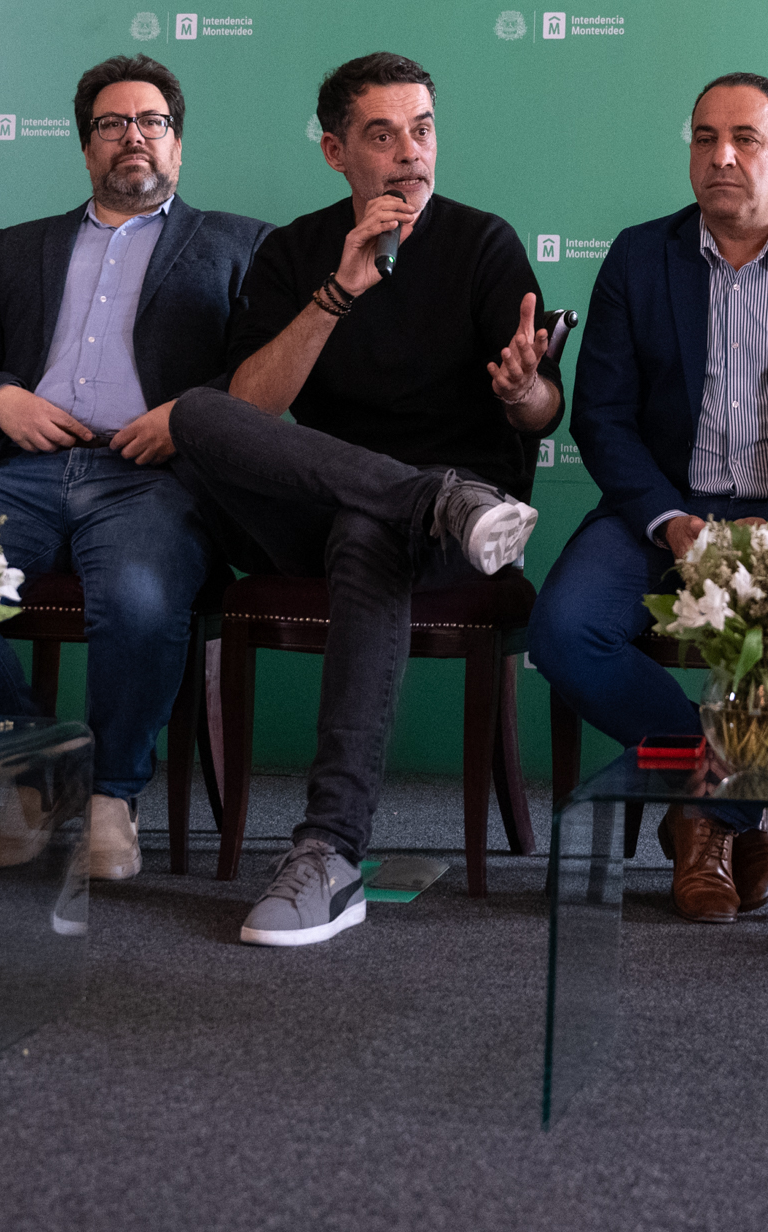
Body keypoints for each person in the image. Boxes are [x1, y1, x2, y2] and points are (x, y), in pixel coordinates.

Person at [163, 52, 555, 947]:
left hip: (470, 529)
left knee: (367, 533)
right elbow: (254, 405)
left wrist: (519, 390)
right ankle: (426, 496)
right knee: (197, 412)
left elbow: (541, 409)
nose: (410, 153)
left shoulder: (480, 241)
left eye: (422, 130)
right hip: (340, 499)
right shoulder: (297, 250)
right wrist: (340, 289)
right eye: (383, 135)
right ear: (338, 153)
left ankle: (331, 853)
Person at [533, 72, 768, 922]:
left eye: (745, 139)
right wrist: (670, 523)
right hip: (664, 510)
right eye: (704, 138)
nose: (722, 156)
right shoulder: (638, 257)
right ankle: (739, 791)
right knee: (565, 630)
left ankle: (710, 815)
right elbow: (601, 415)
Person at [0, 55, 268, 876]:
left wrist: (187, 417)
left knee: (140, 600)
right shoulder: (20, 247)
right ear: (87, 149)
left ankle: (113, 796)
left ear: (177, 145)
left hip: (153, 475)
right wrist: (3, 399)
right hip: (27, 469)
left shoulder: (239, 243)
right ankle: (31, 774)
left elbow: (263, 373)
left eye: (151, 123)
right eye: (112, 125)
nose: (133, 138)